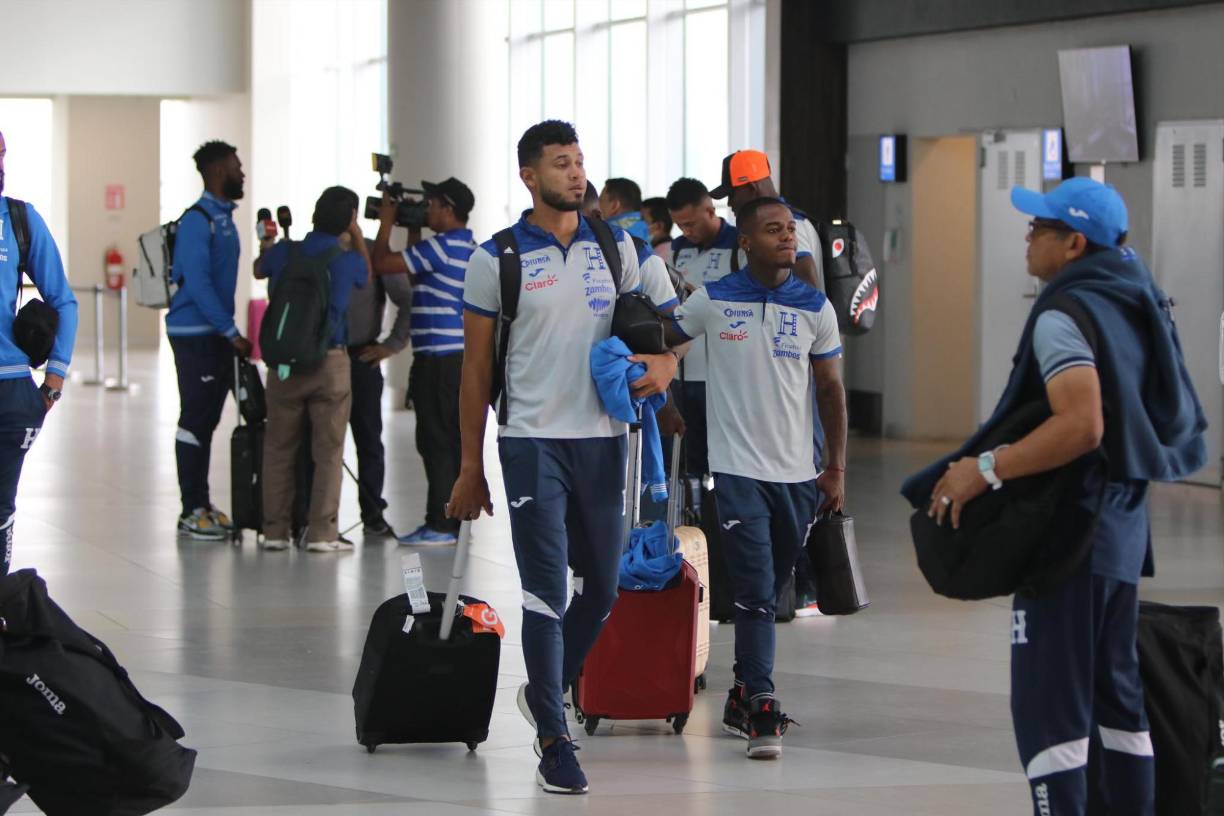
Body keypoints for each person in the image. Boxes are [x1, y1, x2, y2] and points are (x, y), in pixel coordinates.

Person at [903, 178, 1206, 815]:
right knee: (1116, 699)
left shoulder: (1068, 314)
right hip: (1120, 529)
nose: (1027, 235)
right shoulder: (1135, 298)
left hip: (1068, 535)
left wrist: (984, 468)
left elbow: (1083, 424)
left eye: (1040, 228)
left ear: (1073, 243)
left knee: (1050, 707)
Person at [447, 120, 677, 795]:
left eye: (579, 162)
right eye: (560, 164)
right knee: (546, 591)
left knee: (603, 589)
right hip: (531, 443)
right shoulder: (497, 259)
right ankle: (554, 736)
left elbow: (675, 321)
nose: (576, 175)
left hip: (606, 441)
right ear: (528, 175)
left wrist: (663, 360)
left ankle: (546, 690)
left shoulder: (620, 248)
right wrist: (470, 466)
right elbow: (474, 370)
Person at [665, 196, 847, 760]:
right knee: (754, 587)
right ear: (745, 242)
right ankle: (763, 702)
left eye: (790, 229)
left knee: (767, 589)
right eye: (773, 230)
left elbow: (831, 391)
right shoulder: (714, 301)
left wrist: (835, 467)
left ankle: (742, 691)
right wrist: (667, 402)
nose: (787, 237)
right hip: (737, 469)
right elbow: (664, 342)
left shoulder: (815, 306)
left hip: (799, 475)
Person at [256, 186, 370, 553]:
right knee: (329, 450)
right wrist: (355, 234)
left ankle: (274, 531)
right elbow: (365, 276)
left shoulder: (285, 252)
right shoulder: (347, 258)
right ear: (348, 219)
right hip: (330, 361)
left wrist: (268, 245)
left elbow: (260, 269)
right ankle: (322, 532)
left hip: (285, 363)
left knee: (278, 446)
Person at [371, 177, 478, 546]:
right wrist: (413, 229)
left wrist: (386, 222)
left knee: (437, 441)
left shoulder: (444, 247)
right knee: (445, 439)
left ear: (448, 210)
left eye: (430, 204)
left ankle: (441, 524)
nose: (426, 209)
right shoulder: (462, 246)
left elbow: (383, 263)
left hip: (439, 361)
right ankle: (451, 521)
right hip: (452, 359)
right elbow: (416, 272)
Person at [0, 130, 78, 575]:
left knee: (1, 510)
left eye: (3, 154)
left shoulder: (19, 220)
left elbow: (63, 300)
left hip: (10, 392)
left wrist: (53, 381)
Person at [166, 140, 253, 540]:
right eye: (237, 165)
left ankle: (201, 503)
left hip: (214, 334)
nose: (242, 172)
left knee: (209, 419)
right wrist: (231, 331)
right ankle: (191, 509)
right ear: (219, 171)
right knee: (195, 420)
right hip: (196, 335)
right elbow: (198, 285)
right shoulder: (198, 221)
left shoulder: (224, 218)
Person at [665, 177, 744, 480]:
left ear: (710, 210)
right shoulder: (678, 249)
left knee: (722, 457)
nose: (687, 231)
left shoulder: (739, 244)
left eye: (691, 223)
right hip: (683, 371)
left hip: (722, 373)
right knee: (687, 458)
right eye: (680, 225)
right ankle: (690, 519)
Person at [710, 149, 823, 291]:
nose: (729, 203)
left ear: (751, 188)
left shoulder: (792, 225)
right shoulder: (776, 224)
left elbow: (807, 290)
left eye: (731, 194)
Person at [598, 177, 650, 243]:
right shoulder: (649, 230)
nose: (597, 206)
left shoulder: (612, 234)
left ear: (614, 206)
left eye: (601, 200)